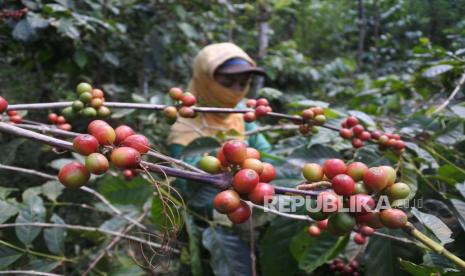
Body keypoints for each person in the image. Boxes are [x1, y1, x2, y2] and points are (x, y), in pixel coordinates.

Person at [166, 42, 271, 157]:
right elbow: (191, 171)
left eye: (243, 83)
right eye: (227, 82)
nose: (236, 90)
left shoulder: (240, 112)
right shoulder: (183, 131)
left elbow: (267, 154)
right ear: (204, 79)